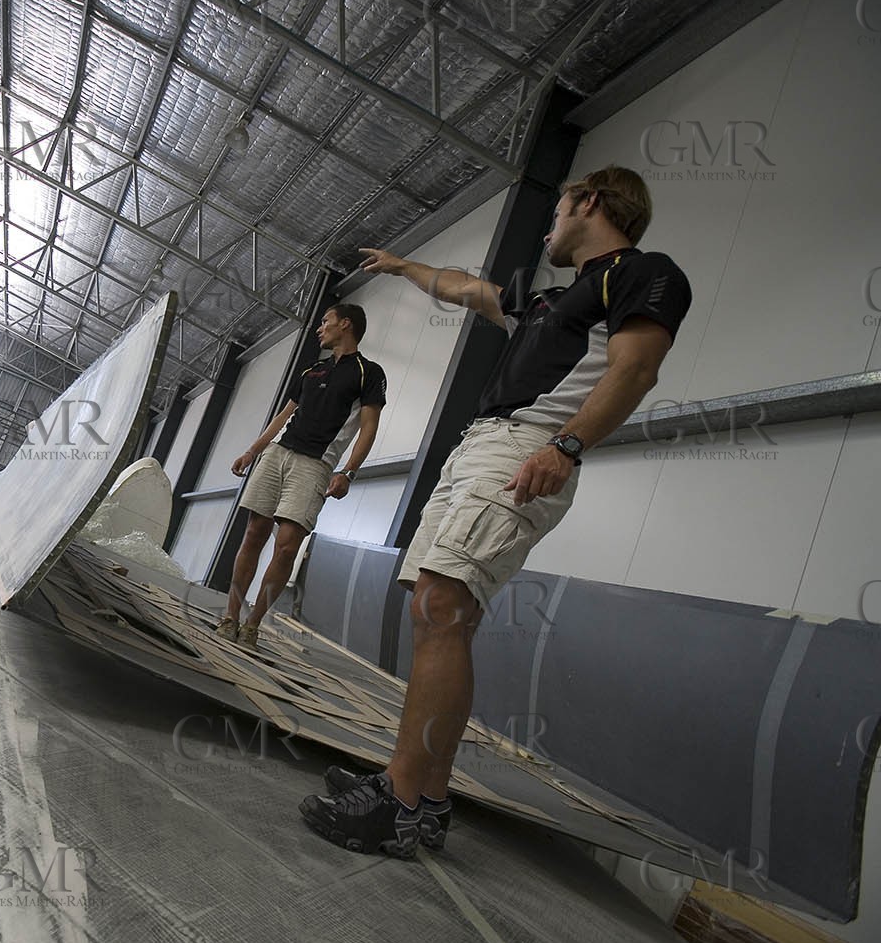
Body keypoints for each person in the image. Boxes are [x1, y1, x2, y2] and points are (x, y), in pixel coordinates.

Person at [299, 166, 692, 858]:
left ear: (591, 203)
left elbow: (635, 368)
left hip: (527, 447)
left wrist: (566, 447)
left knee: (442, 603)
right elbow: (463, 287)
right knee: (436, 611)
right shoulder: (550, 303)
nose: (548, 228)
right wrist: (399, 267)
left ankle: (398, 800)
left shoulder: (642, 273)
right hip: (476, 448)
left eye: (557, 210)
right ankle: (426, 796)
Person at [220, 302, 387, 649]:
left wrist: (349, 472)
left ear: (346, 324)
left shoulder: (368, 372)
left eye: (325, 322)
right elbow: (283, 416)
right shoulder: (312, 369)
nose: (319, 328)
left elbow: (368, 429)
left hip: (316, 465)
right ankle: (230, 616)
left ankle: (252, 625)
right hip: (278, 454)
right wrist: (253, 450)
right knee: (253, 534)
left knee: (285, 548)